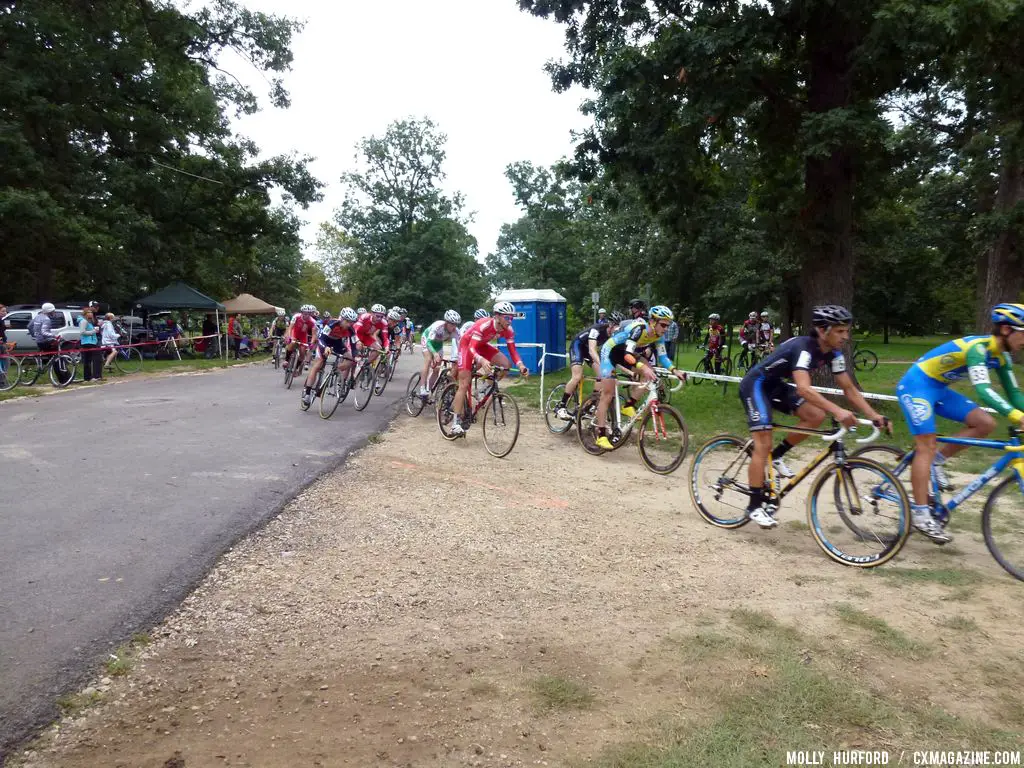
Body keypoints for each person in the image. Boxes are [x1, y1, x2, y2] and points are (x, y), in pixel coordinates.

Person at [738, 305, 890, 529]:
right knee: (763, 442)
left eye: (846, 331)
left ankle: (777, 456)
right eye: (839, 331)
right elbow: (804, 389)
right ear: (822, 330)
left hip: (775, 385)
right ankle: (753, 506)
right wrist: (838, 411)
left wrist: (874, 414)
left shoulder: (834, 354)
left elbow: (849, 388)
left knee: (815, 415)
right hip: (756, 385)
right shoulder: (805, 349)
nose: (845, 336)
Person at [895, 303, 1024, 543]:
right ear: (1006, 329)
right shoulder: (978, 348)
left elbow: (1015, 396)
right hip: (916, 386)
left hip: (939, 389)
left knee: (985, 423)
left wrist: (1019, 410)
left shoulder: (1001, 357)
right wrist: (1017, 416)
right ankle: (921, 514)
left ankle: (937, 462)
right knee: (926, 445)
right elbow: (984, 391)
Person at [593, 306, 686, 450]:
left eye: (668, 325)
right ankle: (601, 435)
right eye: (663, 324)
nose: (666, 328)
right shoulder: (640, 329)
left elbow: (663, 357)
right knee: (608, 394)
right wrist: (642, 367)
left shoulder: (658, 336)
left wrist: (675, 370)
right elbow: (627, 355)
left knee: (650, 373)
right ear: (652, 322)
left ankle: (628, 405)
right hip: (611, 351)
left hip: (627, 352)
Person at [450, 302, 529, 436]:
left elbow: (513, 351)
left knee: (506, 364)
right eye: (507, 318)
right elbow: (471, 348)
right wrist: (481, 360)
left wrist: (521, 365)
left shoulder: (508, 330)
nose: (510, 321)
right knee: (464, 383)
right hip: (467, 346)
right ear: (497, 316)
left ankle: (484, 389)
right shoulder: (484, 325)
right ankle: (455, 423)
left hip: (482, 346)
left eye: (512, 318)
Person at [555, 311, 624, 421]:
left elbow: (613, 356)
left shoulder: (614, 336)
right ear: (610, 325)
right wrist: (603, 365)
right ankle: (561, 406)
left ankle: (591, 402)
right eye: (616, 329)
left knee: (603, 376)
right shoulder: (597, 329)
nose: (618, 332)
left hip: (588, 350)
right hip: (578, 346)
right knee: (577, 376)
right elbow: (592, 350)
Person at [301, 308, 359, 408]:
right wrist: (325, 347)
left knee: (351, 359)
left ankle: (335, 371)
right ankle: (308, 392)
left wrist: (355, 357)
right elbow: (322, 339)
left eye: (351, 322)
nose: (349, 324)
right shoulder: (332, 323)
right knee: (319, 363)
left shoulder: (351, 329)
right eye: (347, 321)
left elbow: (353, 346)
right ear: (342, 319)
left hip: (337, 342)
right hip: (324, 342)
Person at [419, 310, 461, 397]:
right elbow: (429, 343)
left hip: (438, 344)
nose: (454, 327)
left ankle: (428, 391)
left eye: (456, 325)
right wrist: (434, 353)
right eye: (452, 324)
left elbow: (460, 347)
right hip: (427, 340)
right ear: (446, 323)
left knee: (437, 369)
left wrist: (460, 358)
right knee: (428, 359)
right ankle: (422, 387)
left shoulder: (456, 331)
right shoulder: (438, 326)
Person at [285, 305, 317, 370]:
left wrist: (311, 343)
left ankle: (296, 368)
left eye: (308, 314)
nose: (306, 315)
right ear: (302, 313)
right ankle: (286, 360)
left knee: (302, 352)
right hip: (295, 333)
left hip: (303, 336)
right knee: (292, 343)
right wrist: (289, 337)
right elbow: (290, 328)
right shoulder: (296, 316)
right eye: (305, 313)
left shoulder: (313, 321)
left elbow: (314, 335)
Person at [78, 308, 102, 381]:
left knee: (88, 360)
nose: (91, 313)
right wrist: (93, 331)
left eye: (91, 312)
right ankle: (88, 377)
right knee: (88, 360)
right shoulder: (84, 321)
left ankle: (88, 377)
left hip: (91, 342)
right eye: (89, 312)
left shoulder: (88, 321)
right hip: (87, 342)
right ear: (85, 314)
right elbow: (82, 332)